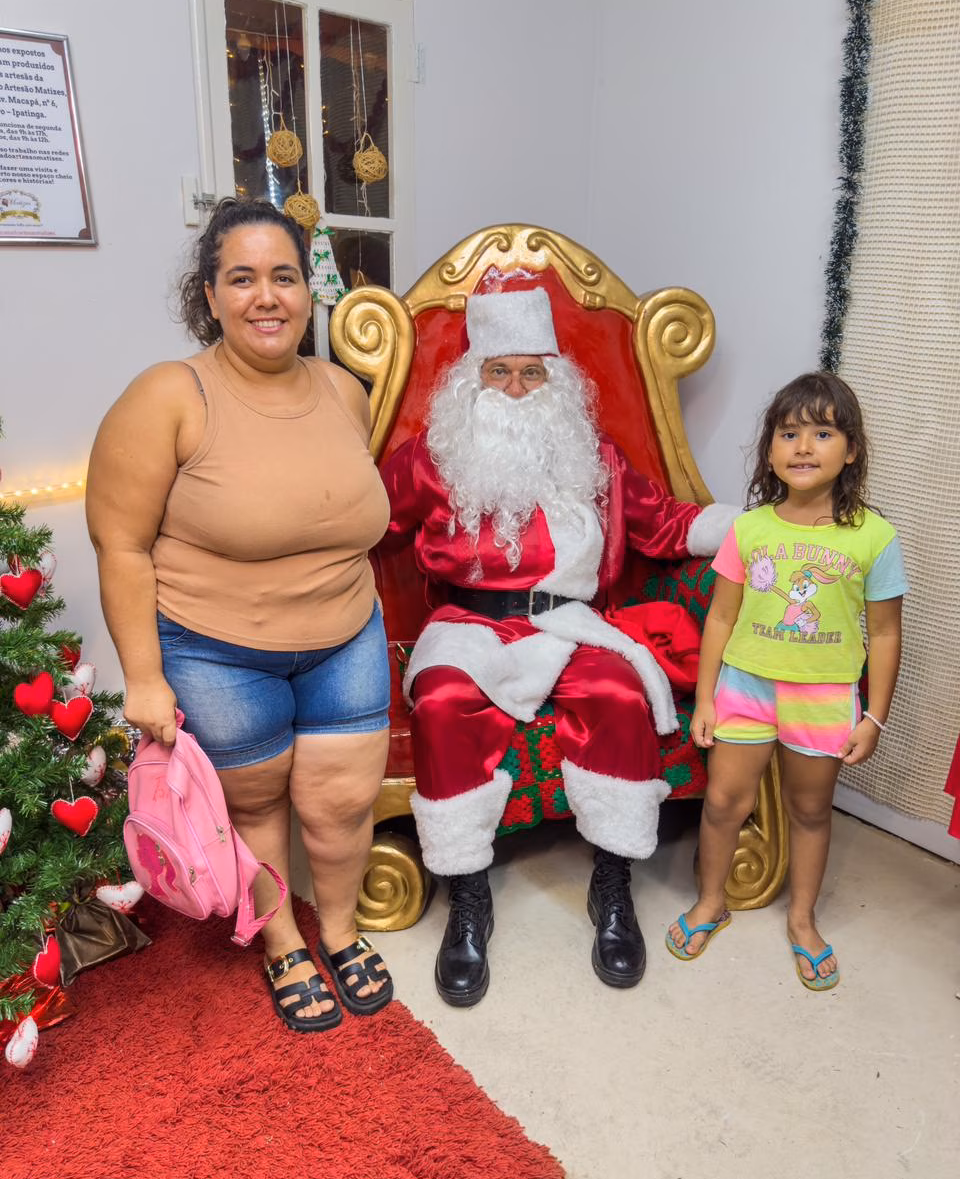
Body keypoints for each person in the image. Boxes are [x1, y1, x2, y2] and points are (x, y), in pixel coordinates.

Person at [377, 287, 736, 1005]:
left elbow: (664, 525)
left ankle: (612, 884)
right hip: (468, 626)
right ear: (472, 378)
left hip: (568, 625)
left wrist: (758, 533)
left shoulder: (594, 458)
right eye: (499, 371)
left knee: (616, 691)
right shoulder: (431, 457)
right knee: (443, 699)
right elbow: (365, 516)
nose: (514, 389)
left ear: (555, 381)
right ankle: (467, 897)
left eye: (531, 373)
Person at [86, 197, 393, 1032]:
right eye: (243, 278)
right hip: (217, 652)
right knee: (255, 811)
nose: (267, 296)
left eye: (284, 277)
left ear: (308, 290)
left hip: (346, 639)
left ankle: (341, 928)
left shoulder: (343, 390)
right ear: (211, 295)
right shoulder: (169, 396)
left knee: (340, 808)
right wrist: (143, 678)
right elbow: (121, 546)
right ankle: (285, 942)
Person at [666, 371, 907, 990]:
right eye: (789, 433)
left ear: (850, 450)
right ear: (770, 450)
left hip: (824, 697)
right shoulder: (749, 530)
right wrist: (704, 701)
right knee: (722, 804)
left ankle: (802, 920)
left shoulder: (874, 537)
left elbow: (883, 633)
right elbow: (721, 616)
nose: (803, 446)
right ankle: (711, 903)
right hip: (745, 687)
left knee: (809, 809)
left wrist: (873, 715)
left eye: (822, 433)